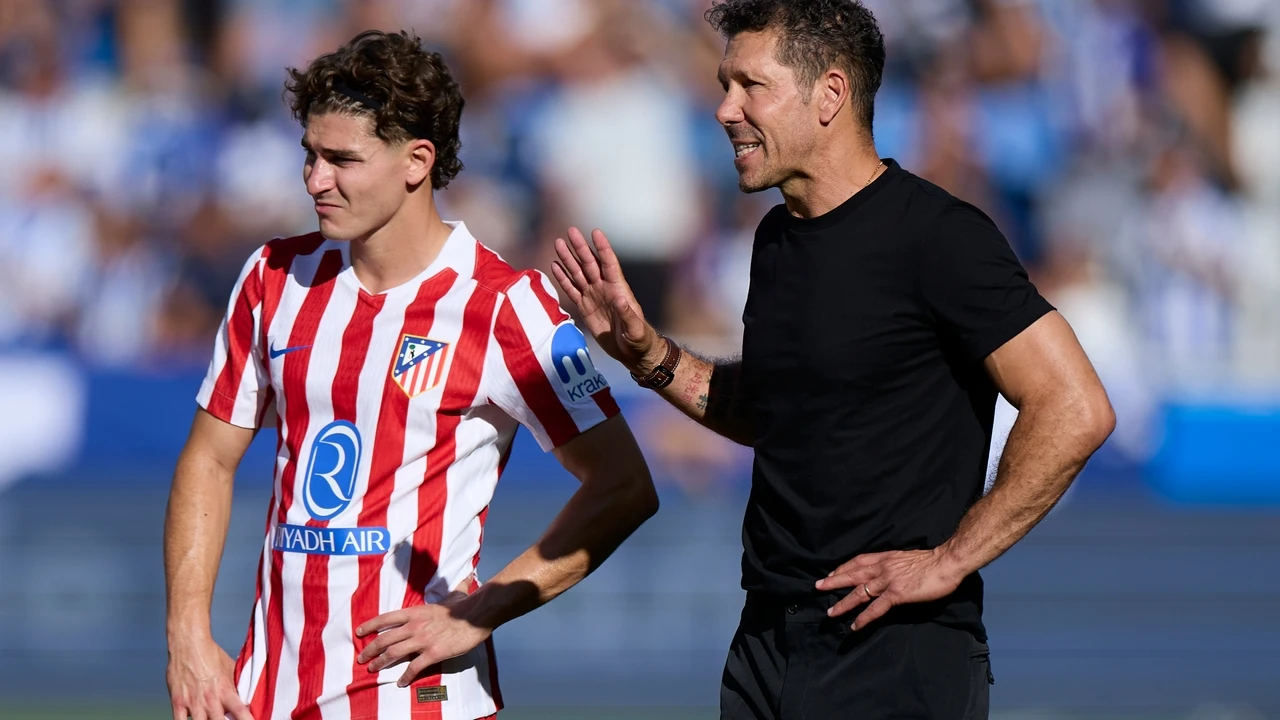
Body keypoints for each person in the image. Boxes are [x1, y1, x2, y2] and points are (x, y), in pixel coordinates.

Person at [551, 1, 1115, 718]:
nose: (724, 110)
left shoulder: (938, 236)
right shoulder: (776, 241)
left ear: (830, 94)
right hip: (765, 645)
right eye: (725, 85)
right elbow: (770, 413)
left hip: (893, 652)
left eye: (751, 86)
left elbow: (1076, 407)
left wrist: (951, 559)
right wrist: (647, 355)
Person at [163, 30, 658, 720]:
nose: (315, 180)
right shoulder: (273, 276)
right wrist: (187, 635)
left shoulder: (504, 306)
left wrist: (479, 611)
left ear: (417, 161)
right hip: (268, 692)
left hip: (415, 697)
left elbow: (624, 486)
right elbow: (210, 457)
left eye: (343, 160)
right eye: (310, 154)